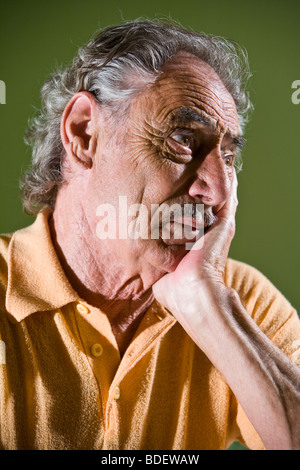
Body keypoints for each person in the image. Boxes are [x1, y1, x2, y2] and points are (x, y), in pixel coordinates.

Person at [0, 19, 299, 451]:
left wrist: (208, 308)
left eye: (228, 157)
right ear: (85, 133)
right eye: (182, 139)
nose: (216, 189)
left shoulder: (243, 304)